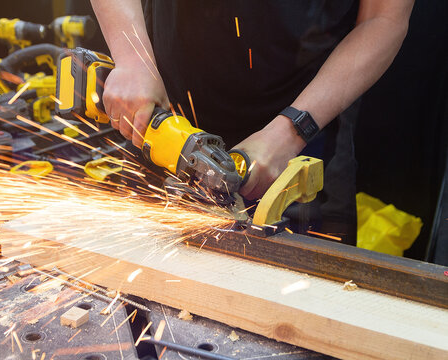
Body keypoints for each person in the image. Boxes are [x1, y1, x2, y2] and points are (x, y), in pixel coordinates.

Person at [88, 0, 414, 244]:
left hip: (306, 136)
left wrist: (291, 131)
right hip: (164, 120)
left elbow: (383, 18)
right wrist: (133, 58)